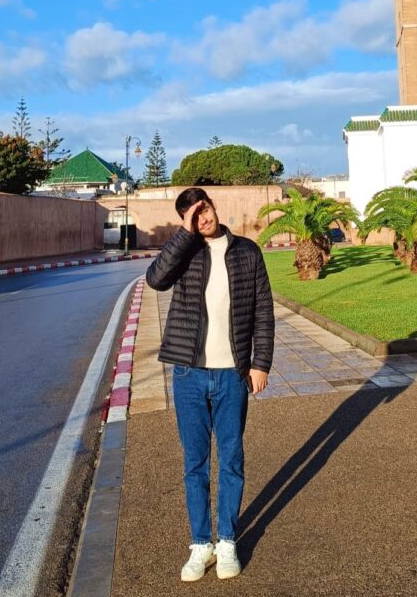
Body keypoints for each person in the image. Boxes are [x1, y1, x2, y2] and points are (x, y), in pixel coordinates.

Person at [146, 186, 274, 582]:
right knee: (195, 464)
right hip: (189, 374)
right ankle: (200, 544)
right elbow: (156, 279)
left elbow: (263, 311)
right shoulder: (186, 251)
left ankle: (227, 541)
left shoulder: (246, 251)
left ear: (215, 207)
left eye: (205, 209)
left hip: (232, 374)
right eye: (193, 214)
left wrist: (260, 363)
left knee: (232, 459)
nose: (202, 217)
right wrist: (184, 234)